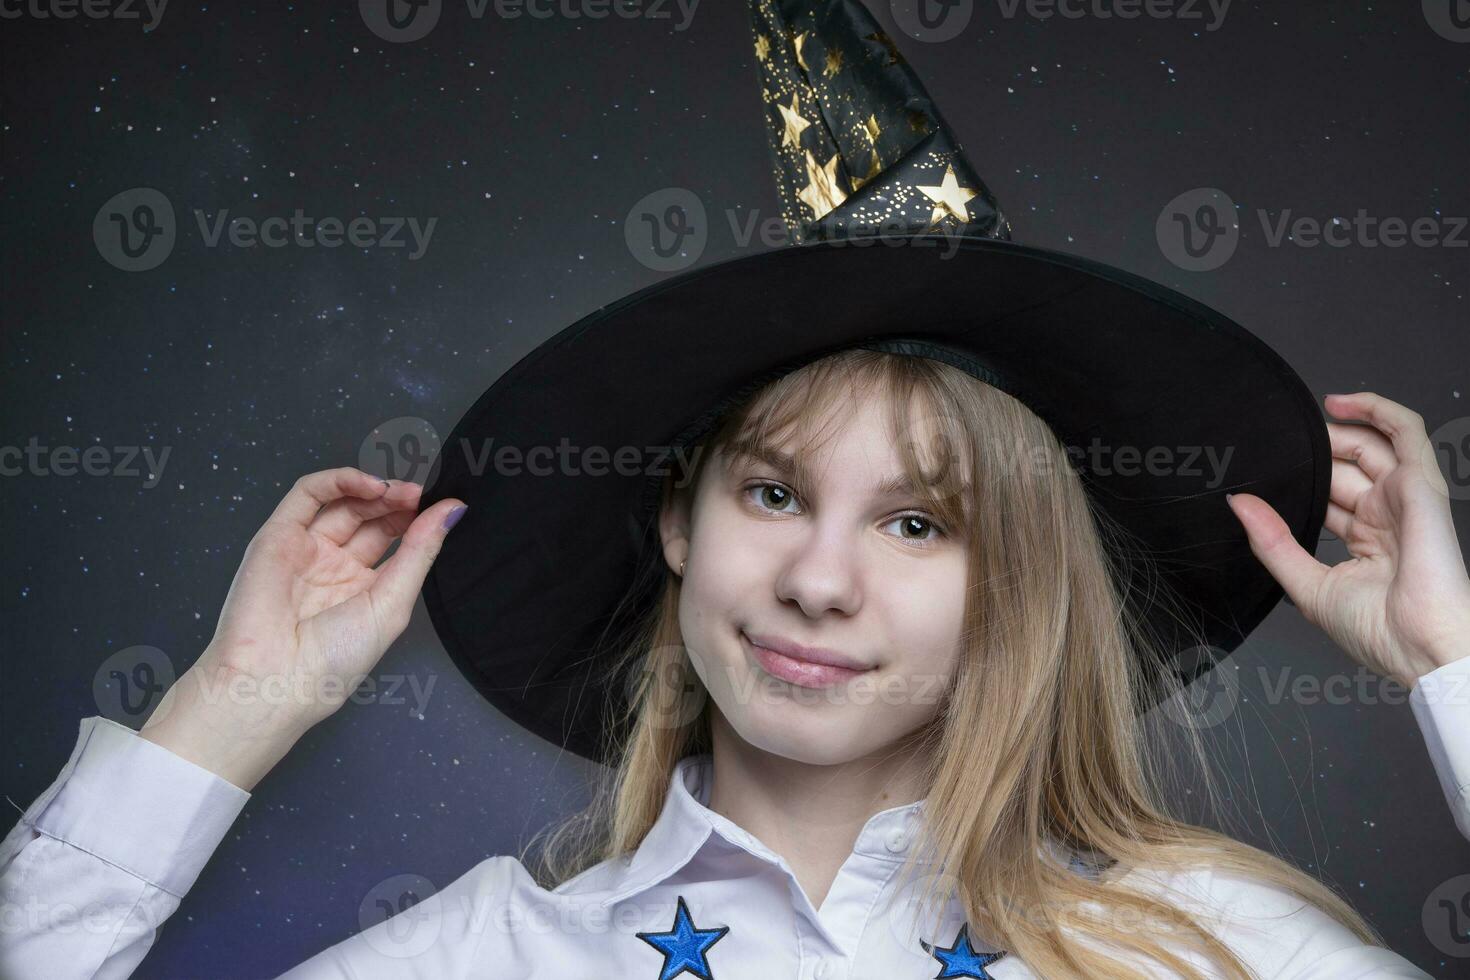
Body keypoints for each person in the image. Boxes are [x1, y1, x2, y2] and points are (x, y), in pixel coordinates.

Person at [1, 367, 1467, 979]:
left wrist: (1446, 670)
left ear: (1015, 584)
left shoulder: (1200, 946)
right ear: (678, 527)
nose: (818, 579)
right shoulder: (489, 957)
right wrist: (229, 711)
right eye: (770, 495)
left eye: (915, 522)